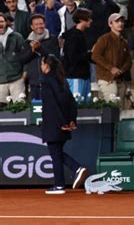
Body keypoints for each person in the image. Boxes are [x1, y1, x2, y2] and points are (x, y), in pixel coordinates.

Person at [40, 54, 88, 195]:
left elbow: (52, 105)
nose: (41, 67)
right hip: (63, 123)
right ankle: (62, 182)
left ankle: (74, 171)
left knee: (55, 153)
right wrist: (71, 121)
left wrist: (62, 123)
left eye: (42, 64)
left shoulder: (47, 81)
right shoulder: (61, 80)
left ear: (47, 65)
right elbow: (71, 102)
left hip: (54, 123)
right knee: (57, 153)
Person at [91, 13, 132, 107]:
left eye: (122, 21)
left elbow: (128, 61)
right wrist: (111, 68)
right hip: (106, 78)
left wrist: (122, 70)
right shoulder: (104, 38)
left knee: (120, 108)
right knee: (112, 107)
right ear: (110, 24)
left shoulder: (124, 42)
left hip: (120, 79)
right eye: (117, 21)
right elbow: (95, 55)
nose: (120, 23)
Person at [20, 13, 60, 100]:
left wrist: (40, 48)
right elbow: (23, 59)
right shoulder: (27, 41)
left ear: (44, 24)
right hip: (34, 81)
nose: (39, 26)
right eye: (36, 24)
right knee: (36, 110)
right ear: (32, 26)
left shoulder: (52, 39)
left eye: (41, 23)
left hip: (50, 80)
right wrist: (32, 50)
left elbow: (55, 57)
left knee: (50, 108)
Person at [62, 8, 92, 101]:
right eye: (88, 18)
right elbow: (73, 58)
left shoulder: (82, 34)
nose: (91, 20)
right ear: (81, 19)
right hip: (75, 76)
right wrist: (90, 54)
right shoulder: (73, 36)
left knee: (85, 108)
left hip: (83, 76)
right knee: (76, 105)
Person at [0, 12, 25, 104]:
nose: (0, 24)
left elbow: (25, 56)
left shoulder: (17, 37)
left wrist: (24, 75)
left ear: (6, 22)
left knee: (20, 109)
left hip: (17, 80)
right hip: (0, 82)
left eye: (2, 21)